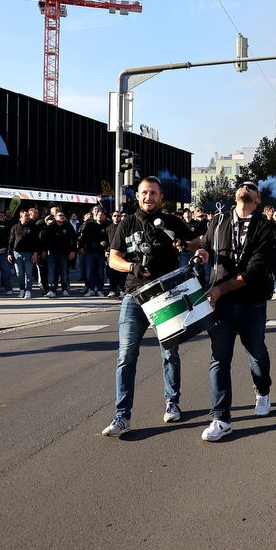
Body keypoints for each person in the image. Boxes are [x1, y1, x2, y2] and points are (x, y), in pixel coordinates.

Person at [102, 176, 203, 437]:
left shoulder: (171, 222)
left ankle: (173, 402)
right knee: (126, 356)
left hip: (167, 295)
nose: (149, 197)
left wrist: (185, 244)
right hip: (134, 296)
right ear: (137, 196)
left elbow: (198, 243)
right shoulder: (126, 223)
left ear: (161, 197)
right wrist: (132, 267)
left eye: (154, 193)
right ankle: (122, 416)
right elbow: (114, 259)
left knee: (170, 352)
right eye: (144, 192)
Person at [194, 181, 274, 442]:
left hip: (251, 301)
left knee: (257, 354)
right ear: (237, 195)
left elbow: (253, 270)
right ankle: (220, 418)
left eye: (252, 188)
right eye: (242, 185)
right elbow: (206, 244)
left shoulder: (264, 226)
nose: (245, 188)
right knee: (220, 358)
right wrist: (202, 254)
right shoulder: (218, 221)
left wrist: (220, 289)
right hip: (223, 305)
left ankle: (262, 391)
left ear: (257, 199)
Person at [7, 209, 40, 298]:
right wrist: (9, 253)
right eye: (26, 216)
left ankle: (28, 290)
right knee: (19, 273)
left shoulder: (33, 227)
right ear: (21, 216)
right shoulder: (15, 227)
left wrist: (35, 253)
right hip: (17, 253)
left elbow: (36, 241)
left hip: (29, 253)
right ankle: (22, 290)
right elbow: (11, 240)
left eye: (29, 215)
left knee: (28, 273)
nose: (28, 217)